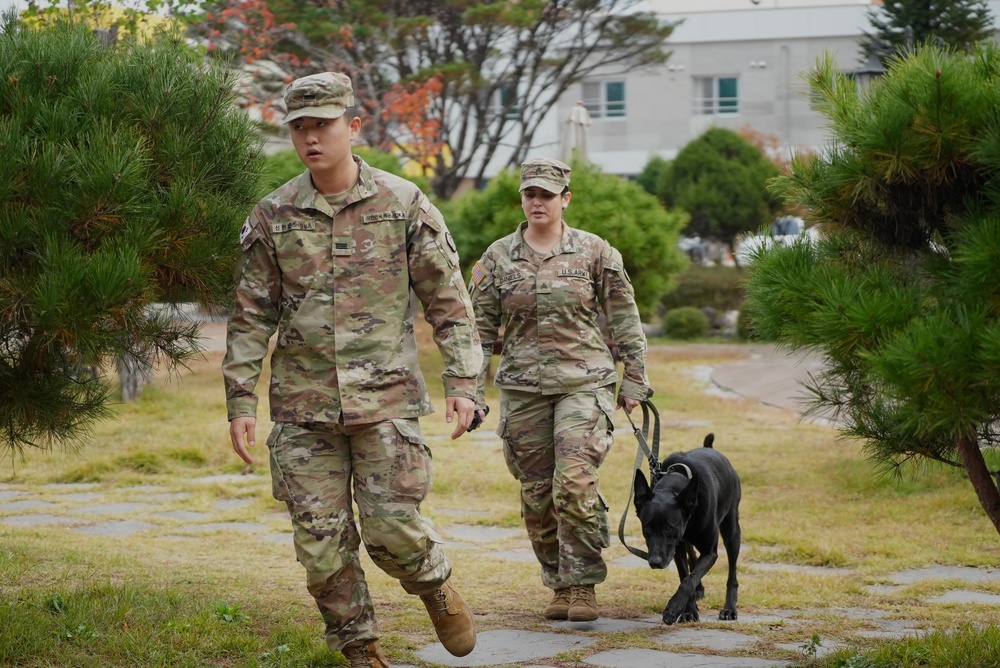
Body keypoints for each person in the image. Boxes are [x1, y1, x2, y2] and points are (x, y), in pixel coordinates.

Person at [222, 72, 481, 668]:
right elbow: (249, 316)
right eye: (300, 128)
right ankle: (359, 649)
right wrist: (240, 402)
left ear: (353, 126)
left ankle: (434, 583)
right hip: (303, 406)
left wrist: (464, 385)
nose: (311, 138)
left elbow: (449, 303)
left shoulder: (403, 203)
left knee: (392, 529)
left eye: (323, 125)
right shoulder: (274, 215)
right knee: (321, 546)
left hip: (385, 401)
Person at [468, 158, 652, 622]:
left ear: (564, 199)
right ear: (522, 199)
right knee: (536, 494)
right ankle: (558, 582)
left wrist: (634, 379)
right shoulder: (497, 257)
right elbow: (478, 331)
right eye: (530, 194)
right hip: (523, 389)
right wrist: (470, 390)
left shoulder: (594, 252)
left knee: (573, 484)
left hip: (584, 383)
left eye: (547, 195)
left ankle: (584, 584)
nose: (537, 202)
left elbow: (625, 317)